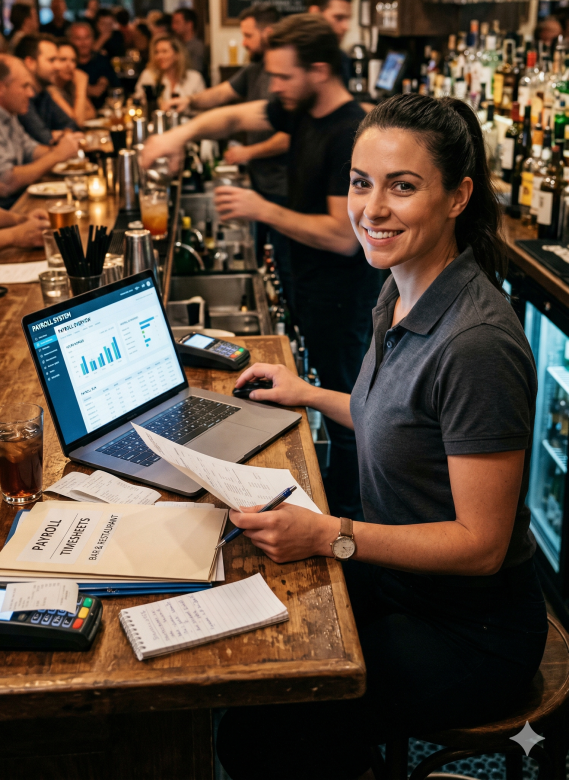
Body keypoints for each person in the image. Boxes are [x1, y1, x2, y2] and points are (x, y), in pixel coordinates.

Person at [216, 92, 548, 780]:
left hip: (472, 631)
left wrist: (333, 533)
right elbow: (402, 416)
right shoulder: (401, 287)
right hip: (402, 585)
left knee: (264, 726)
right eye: (361, 184)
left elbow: (481, 546)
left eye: (403, 187)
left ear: (458, 196)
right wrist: (308, 394)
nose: (371, 209)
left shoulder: (476, 345)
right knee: (258, 654)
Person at [140, 14, 382, 519]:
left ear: (318, 70)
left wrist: (259, 208)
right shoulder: (302, 109)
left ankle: (354, 518)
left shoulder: (349, 132)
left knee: (351, 412)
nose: (274, 87)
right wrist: (177, 134)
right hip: (308, 285)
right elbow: (232, 117)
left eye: (283, 77)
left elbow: (344, 237)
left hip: (342, 296)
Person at [173, 3, 291, 286]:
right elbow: (223, 96)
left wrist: (248, 152)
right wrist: (188, 102)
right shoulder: (255, 69)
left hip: (281, 185)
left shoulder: (284, 76)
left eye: (249, 35)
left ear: (269, 32)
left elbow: (288, 135)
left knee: (281, 264)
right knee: (267, 262)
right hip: (260, 179)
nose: (243, 42)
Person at [0, 55, 80, 209]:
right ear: (1, 89)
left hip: (19, 205)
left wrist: (65, 149)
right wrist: (57, 155)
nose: (31, 93)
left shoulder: (9, 115)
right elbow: (5, 182)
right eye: (24, 86)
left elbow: (30, 149)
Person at [16, 34, 79, 145]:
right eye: (51, 60)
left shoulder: (43, 93)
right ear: (30, 62)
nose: (58, 66)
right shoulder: (21, 97)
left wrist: (65, 134)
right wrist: (55, 136)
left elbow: (71, 124)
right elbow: (45, 139)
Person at [134, 35, 205, 110]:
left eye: (164, 51)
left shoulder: (194, 78)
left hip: (191, 120)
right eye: (157, 52)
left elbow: (203, 107)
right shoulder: (148, 75)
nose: (159, 56)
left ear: (177, 55)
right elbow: (137, 102)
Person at [307, 0, 353, 89]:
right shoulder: (294, 56)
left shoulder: (342, 58)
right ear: (315, 14)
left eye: (348, 18)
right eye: (339, 18)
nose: (346, 27)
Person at [67, 21, 118, 109]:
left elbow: (115, 87)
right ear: (70, 41)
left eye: (87, 38)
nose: (83, 43)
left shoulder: (101, 59)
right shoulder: (68, 65)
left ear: (93, 39)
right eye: (78, 39)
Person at [50, 41, 96, 127]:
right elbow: (77, 123)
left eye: (73, 60)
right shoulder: (50, 90)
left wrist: (78, 114)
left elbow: (92, 112)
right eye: (63, 59)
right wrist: (81, 86)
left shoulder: (70, 85)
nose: (69, 65)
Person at [171, 8, 206, 76]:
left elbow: (195, 72)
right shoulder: (178, 44)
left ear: (189, 24)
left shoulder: (197, 46)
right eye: (173, 23)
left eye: (177, 22)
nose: (173, 26)